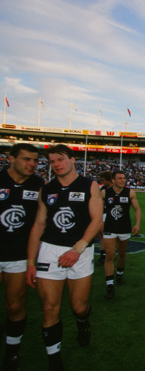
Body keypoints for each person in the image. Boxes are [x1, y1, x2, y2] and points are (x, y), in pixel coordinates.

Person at [25, 144, 103, 370]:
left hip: (80, 250)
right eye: (52, 161)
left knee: (79, 306)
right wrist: (31, 262)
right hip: (50, 250)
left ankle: (83, 322)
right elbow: (39, 225)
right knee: (50, 308)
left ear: (72, 160)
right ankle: (54, 359)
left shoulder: (90, 185)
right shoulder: (46, 190)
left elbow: (96, 220)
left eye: (60, 159)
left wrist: (77, 248)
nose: (56, 165)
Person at [0, 143, 44, 370]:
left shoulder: (39, 184)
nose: (32, 164)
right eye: (26, 159)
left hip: (19, 255)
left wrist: (31, 261)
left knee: (15, 305)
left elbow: (41, 222)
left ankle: (12, 353)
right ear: (11, 158)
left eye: (35, 160)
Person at [101, 170, 141, 300]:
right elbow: (98, 210)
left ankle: (119, 274)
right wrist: (99, 225)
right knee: (110, 256)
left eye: (124, 178)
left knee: (122, 254)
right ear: (113, 180)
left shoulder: (130, 193)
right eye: (120, 178)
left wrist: (137, 224)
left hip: (124, 228)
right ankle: (109, 285)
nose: (123, 180)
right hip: (109, 228)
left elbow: (137, 209)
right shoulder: (104, 193)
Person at [95, 171, 113, 266]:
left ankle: (109, 254)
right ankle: (103, 255)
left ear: (108, 180)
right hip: (104, 214)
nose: (102, 182)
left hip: (112, 216)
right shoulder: (103, 189)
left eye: (103, 180)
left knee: (111, 236)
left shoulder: (115, 189)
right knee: (103, 235)